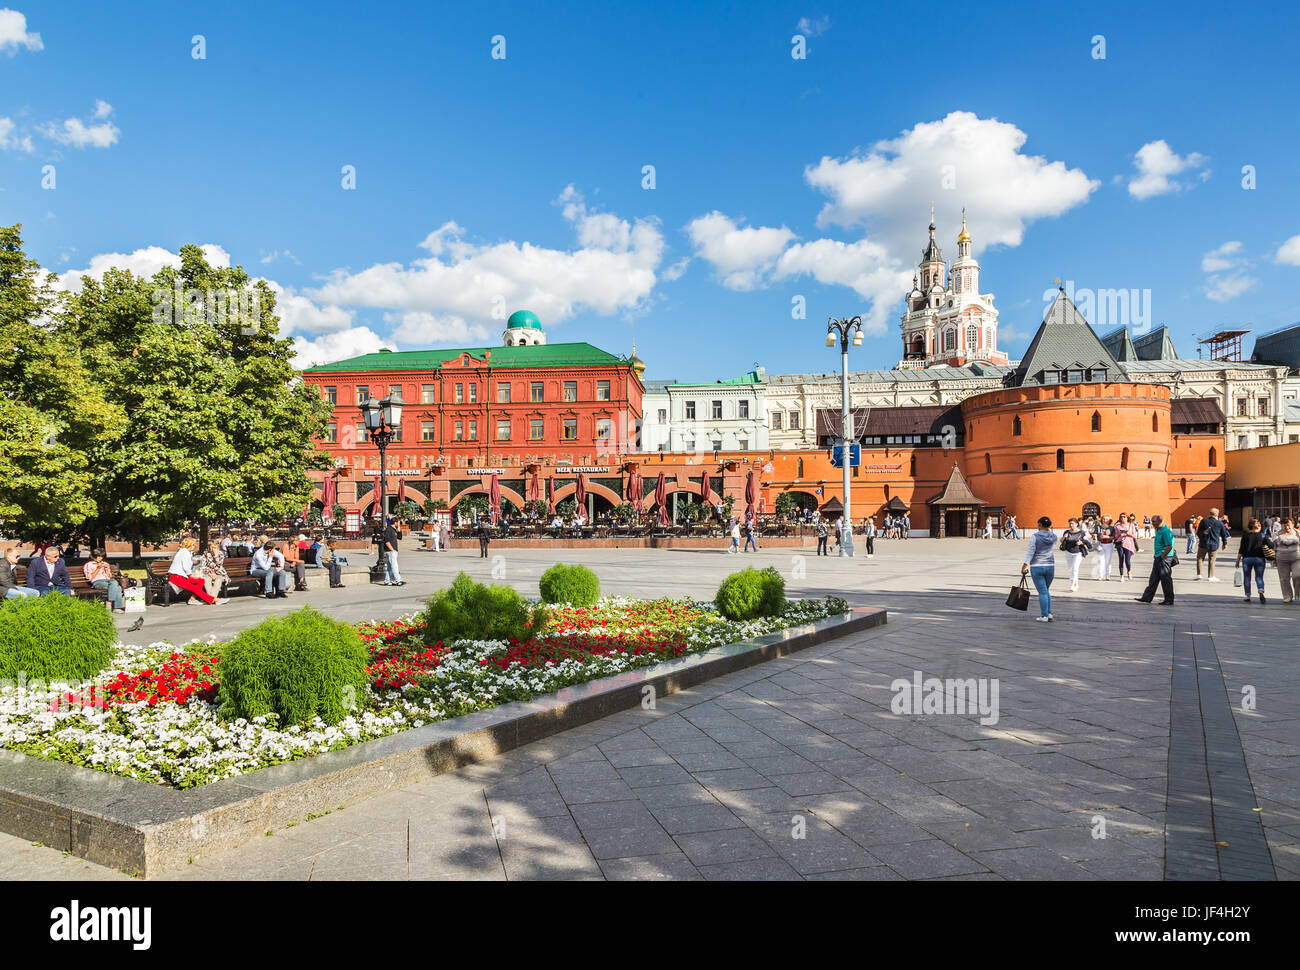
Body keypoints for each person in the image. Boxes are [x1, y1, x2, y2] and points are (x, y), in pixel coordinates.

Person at [1021, 516, 1058, 622]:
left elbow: (1030, 552)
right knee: (1046, 591)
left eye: (1038, 524)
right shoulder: (1054, 536)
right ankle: (1049, 613)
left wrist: (1024, 566)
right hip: (1050, 566)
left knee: (1042, 592)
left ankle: (1044, 616)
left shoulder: (1035, 537)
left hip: (1037, 566)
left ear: (1040, 525)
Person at [1135, 514, 1176, 605]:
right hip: (1158, 556)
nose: (1152, 523)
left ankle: (1169, 600)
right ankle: (1147, 597)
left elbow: (1169, 546)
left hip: (1165, 557)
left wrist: (1162, 556)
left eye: (1154, 521)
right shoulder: (1158, 529)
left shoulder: (1166, 531)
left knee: (1166, 579)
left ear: (1160, 521)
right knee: (1153, 578)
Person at [167, 537, 219, 605]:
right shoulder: (184, 552)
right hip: (177, 577)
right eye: (193, 544)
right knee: (194, 588)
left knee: (200, 581)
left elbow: (185, 563)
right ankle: (212, 599)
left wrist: (194, 563)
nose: (195, 546)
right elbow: (186, 567)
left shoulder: (185, 552)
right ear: (189, 544)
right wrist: (190, 575)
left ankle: (192, 599)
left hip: (180, 577)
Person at [1234, 518, 1273, 605]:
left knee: (1247, 577)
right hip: (1259, 559)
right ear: (1258, 526)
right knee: (1259, 577)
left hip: (1247, 559)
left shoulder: (1245, 536)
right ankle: (1261, 591)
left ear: (1250, 526)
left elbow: (1241, 549)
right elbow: (1271, 545)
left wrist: (1237, 561)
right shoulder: (1263, 536)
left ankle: (1248, 596)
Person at [82, 548, 126, 613]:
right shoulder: (89, 565)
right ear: (94, 556)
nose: (101, 558)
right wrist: (98, 568)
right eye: (99, 556)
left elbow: (110, 577)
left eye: (102, 556)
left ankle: (113, 605)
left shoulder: (105, 563)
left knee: (116, 585)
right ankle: (113, 605)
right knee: (117, 586)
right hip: (97, 582)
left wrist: (107, 570)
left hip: (108, 581)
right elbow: (90, 578)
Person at [1194, 507, 1230, 582]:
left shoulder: (1204, 521)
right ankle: (1210, 576)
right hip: (1214, 544)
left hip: (1203, 544)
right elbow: (1224, 534)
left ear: (1210, 513)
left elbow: (1198, 532)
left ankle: (1199, 575)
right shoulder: (1219, 523)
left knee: (1200, 558)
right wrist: (1224, 544)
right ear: (1217, 514)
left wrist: (1201, 539)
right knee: (1212, 560)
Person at [1273, 518, 1299, 603]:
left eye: (1288, 525)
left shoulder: (1298, 533)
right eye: (1284, 525)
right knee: (1284, 579)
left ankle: (1298, 594)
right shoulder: (1277, 534)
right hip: (1282, 559)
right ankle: (1287, 596)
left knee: (1297, 576)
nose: (1286, 527)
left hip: (1297, 558)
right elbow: (1274, 547)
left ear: (1293, 525)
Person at [1060, 518, 1090, 593]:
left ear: (1077, 524)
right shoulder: (1067, 532)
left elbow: (1086, 541)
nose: (1071, 525)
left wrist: (1082, 543)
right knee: (1071, 569)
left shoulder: (1081, 532)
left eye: (1072, 523)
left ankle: (1073, 584)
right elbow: (1061, 541)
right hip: (1068, 552)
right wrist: (1064, 537)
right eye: (1070, 523)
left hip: (1078, 552)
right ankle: (1075, 583)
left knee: (1075, 567)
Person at [382, 518, 405, 583]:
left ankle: (387, 581)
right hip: (390, 551)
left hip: (393, 551)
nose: (398, 524)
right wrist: (392, 549)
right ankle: (398, 580)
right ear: (395, 523)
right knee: (394, 566)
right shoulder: (389, 529)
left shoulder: (394, 530)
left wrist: (399, 528)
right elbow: (386, 541)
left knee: (389, 567)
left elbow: (400, 537)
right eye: (398, 522)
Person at [1096, 515, 1117, 581]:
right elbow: (1095, 535)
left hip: (1109, 545)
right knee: (1100, 560)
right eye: (1104, 519)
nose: (1105, 520)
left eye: (1107, 519)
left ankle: (1108, 575)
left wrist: (1105, 537)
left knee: (1108, 561)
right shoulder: (1098, 527)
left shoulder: (1112, 528)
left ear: (1109, 520)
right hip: (1100, 545)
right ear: (1102, 520)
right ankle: (1100, 575)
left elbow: (1114, 537)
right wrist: (1094, 536)